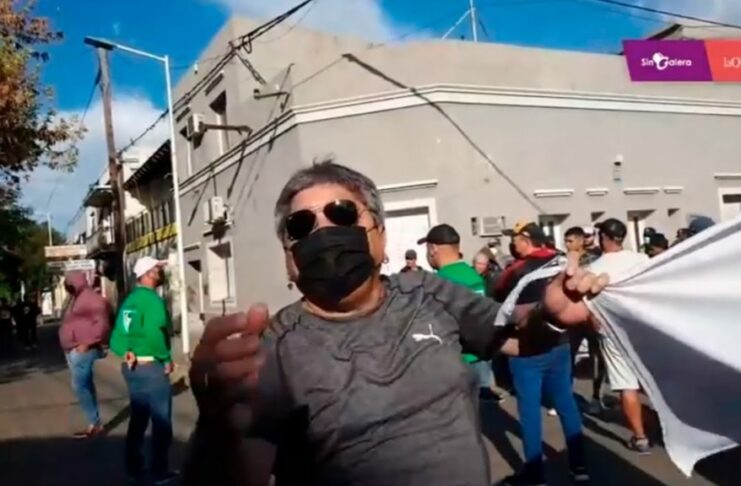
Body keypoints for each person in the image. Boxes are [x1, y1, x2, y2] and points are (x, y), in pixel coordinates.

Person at [182, 160, 609, 486]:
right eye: (302, 225)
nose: (324, 234)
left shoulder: (427, 291)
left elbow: (513, 336)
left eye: (342, 214)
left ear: (381, 236)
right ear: (289, 260)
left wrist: (550, 316)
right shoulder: (273, 350)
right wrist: (216, 423)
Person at [497, 221, 590, 485]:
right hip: (560, 343)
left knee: (529, 411)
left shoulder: (517, 270)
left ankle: (535, 474)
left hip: (526, 348)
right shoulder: (562, 262)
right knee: (566, 403)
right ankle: (579, 466)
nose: (512, 243)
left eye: (514, 238)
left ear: (526, 240)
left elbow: (499, 296)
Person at [110, 256, 178, 485]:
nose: (160, 272)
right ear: (148, 274)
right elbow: (154, 334)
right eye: (157, 269)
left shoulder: (129, 301)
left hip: (132, 368)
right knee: (161, 421)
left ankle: (134, 468)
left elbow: (116, 337)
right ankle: (159, 470)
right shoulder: (152, 301)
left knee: (138, 419)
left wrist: (126, 352)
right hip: (151, 367)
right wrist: (166, 358)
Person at [588, 218, 652, 454]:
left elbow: (588, 303)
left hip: (612, 330)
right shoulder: (642, 260)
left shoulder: (595, 267)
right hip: (644, 326)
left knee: (627, 384)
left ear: (604, 237)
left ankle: (641, 437)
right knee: (651, 380)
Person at [420, 224, 502, 404]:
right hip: (478, 354)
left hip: (454, 360)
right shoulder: (473, 275)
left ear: (433, 249)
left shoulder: (438, 281)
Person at [59, 271, 112, 438]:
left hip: (83, 350)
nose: (66, 285)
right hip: (72, 349)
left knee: (79, 385)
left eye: (68, 282)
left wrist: (86, 344)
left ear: (76, 281)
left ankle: (94, 423)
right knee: (85, 385)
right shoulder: (75, 298)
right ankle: (95, 422)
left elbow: (102, 325)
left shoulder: (92, 299)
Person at [563, 227, 606, 414]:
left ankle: (596, 396)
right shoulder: (563, 261)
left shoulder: (594, 260)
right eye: (566, 241)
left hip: (592, 314)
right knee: (567, 356)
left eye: (571, 241)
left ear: (581, 241)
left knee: (598, 356)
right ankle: (565, 397)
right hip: (572, 315)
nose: (567, 244)